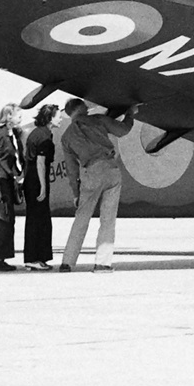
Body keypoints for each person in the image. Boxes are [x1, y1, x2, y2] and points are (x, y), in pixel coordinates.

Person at [59, 98, 140, 273]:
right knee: (108, 219)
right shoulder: (98, 120)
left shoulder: (66, 137)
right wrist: (130, 114)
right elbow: (123, 131)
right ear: (81, 108)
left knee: (81, 219)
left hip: (90, 173)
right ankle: (102, 263)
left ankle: (67, 262)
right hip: (110, 168)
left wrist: (75, 193)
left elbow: (72, 170)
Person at [21, 103, 60, 271]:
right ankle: (34, 258)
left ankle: (34, 257)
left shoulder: (37, 133)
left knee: (36, 219)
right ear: (50, 118)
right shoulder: (43, 136)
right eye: (58, 115)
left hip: (31, 178)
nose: (60, 118)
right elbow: (40, 162)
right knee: (39, 220)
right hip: (37, 179)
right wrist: (43, 187)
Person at [0, 103, 23, 272]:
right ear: (9, 116)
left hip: (6, 179)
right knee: (3, 220)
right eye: (18, 115)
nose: (20, 118)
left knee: (8, 220)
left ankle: (0, 257)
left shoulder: (11, 135)